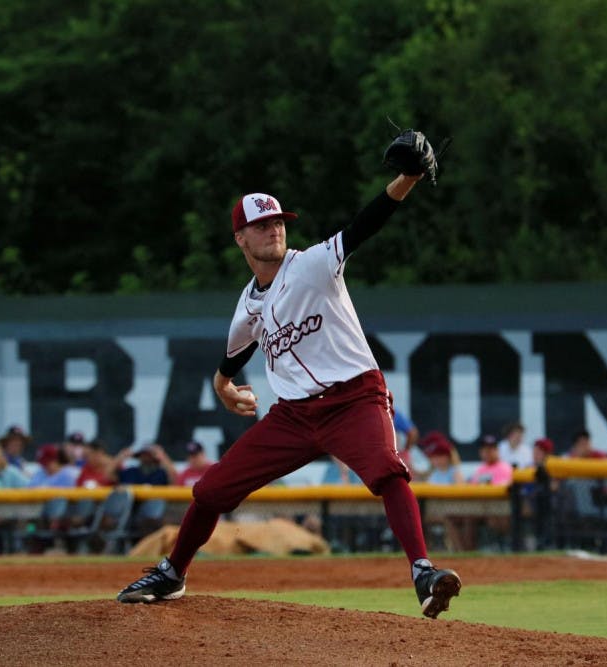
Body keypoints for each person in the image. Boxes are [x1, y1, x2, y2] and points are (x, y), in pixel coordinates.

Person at [117, 159, 461, 618]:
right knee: (210, 490)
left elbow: (367, 222)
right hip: (294, 417)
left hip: (353, 398)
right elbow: (235, 353)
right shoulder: (248, 303)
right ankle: (172, 573)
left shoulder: (315, 264)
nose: (273, 230)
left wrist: (409, 178)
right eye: (261, 225)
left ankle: (423, 571)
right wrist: (222, 385)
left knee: (386, 470)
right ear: (241, 238)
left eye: (278, 221)